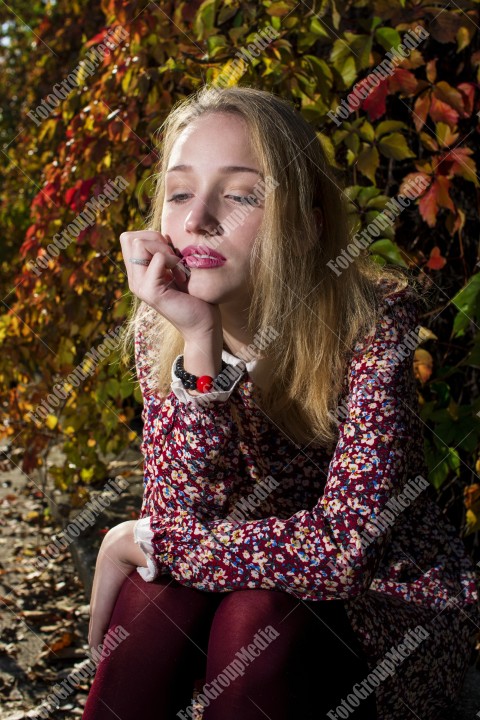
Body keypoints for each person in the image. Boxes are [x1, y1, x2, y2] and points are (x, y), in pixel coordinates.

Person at [82, 85, 479, 720]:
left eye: (240, 194)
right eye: (180, 193)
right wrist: (200, 339)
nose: (198, 220)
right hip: (234, 581)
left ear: (309, 216)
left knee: (253, 613)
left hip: (380, 612)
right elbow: (184, 514)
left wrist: (135, 539)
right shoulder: (164, 329)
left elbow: (344, 550)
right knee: (157, 601)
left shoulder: (371, 322)